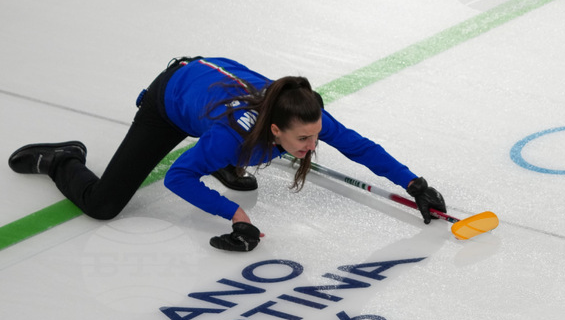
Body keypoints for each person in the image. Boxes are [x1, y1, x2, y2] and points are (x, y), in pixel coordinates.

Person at [8, 56, 446, 252]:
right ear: (276, 130)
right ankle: (60, 158)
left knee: (243, 161)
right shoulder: (228, 138)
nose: (312, 148)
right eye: (302, 143)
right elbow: (179, 177)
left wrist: (414, 183)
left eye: (314, 137)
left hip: (217, 88)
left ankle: (229, 167)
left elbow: (358, 146)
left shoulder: (304, 116)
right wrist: (234, 214)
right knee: (104, 205)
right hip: (172, 99)